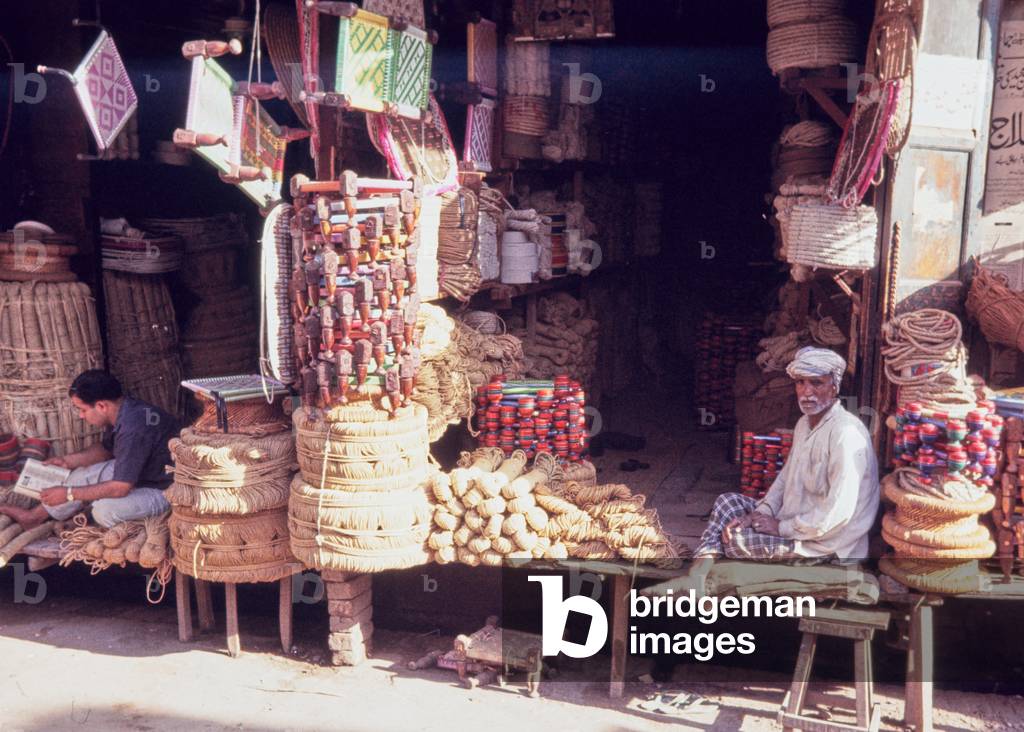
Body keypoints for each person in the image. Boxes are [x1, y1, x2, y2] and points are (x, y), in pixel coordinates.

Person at [693, 347, 879, 562]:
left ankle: (704, 563)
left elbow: (837, 513)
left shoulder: (846, 434)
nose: (806, 392)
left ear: (834, 387)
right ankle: (701, 568)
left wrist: (780, 527)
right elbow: (785, 480)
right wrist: (759, 514)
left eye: (816, 383)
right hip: (795, 519)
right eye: (800, 382)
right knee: (727, 503)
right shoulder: (803, 424)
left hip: (826, 543)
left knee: (736, 542)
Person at [0, 370, 180, 530]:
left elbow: (120, 488)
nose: (80, 415)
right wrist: (67, 461)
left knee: (103, 511)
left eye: (82, 409)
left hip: (166, 489)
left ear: (101, 406)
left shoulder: (133, 428)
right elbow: (105, 450)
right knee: (79, 476)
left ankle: (150, 523)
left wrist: (69, 494)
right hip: (142, 474)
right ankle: (33, 517)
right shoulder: (125, 410)